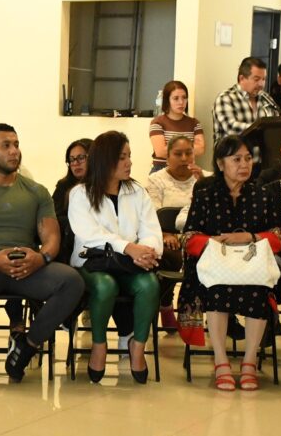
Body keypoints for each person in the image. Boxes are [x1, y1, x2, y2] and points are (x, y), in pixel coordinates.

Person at [0, 123, 84, 394]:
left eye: (16, 145)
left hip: (28, 269)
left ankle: (27, 346)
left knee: (72, 281)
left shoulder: (36, 191)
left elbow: (52, 237)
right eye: (6, 146)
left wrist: (41, 258)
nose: (14, 151)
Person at [178, 136, 281, 392]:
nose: (244, 164)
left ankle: (249, 362)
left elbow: (278, 238)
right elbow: (189, 238)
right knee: (217, 288)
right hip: (215, 266)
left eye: (248, 158)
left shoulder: (262, 194)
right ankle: (221, 361)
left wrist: (249, 237)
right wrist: (214, 242)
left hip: (251, 266)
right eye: (236, 159)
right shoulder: (205, 194)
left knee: (259, 289)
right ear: (220, 164)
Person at [68, 130, 161, 384]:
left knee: (150, 284)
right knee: (105, 286)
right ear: (105, 160)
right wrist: (129, 247)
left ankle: (137, 346)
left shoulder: (137, 192)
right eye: (122, 157)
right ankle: (99, 344)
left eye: (129, 156)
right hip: (92, 263)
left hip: (130, 264)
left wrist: (146, 251)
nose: (129, 162)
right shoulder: (80, 194)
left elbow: (151, 230)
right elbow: (89, 234)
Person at [145, 135, 207, 328]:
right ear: (167, 157)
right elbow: (152, 215)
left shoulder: (206, 177)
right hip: (166, 236)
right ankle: (165, 303)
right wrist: (165, 235)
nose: (184, 158)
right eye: (178, 154)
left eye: (188, 153)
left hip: (199, 237)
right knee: (170, 254)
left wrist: (205, 183)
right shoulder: (156, 180)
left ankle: (214, 312)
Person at [211, 57, 279, 141]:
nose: (261, 84)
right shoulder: (226, 98)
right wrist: (262, 129)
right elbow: (231, 128)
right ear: (242, 78)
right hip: (234, 149)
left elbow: (276, 124)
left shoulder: (266, 98)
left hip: (264, 149)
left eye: (264, 79)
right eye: (256, 79)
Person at [149, 80, 205, 173]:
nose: (181, 102)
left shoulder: (194, 123)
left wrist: (172, 149)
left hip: (187, 169)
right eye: (176, 98)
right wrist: (188, 150)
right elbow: (160, 152)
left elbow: (201, 150)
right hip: (162, 169)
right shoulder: (157, 123)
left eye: (184, 98)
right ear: (167, 100)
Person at [52, 138, 93, 265]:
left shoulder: (107, 185)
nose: (75, 163)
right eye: (71, 159)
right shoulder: (63, 186)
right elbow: (53, 218)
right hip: (72, 248)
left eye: (81, 158)